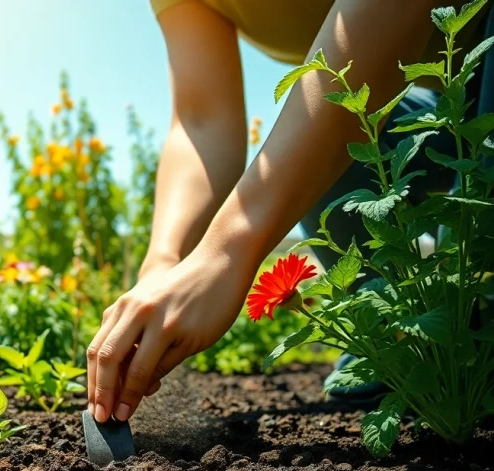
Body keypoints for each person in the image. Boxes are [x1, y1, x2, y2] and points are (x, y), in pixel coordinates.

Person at [86, 0, 491, 423]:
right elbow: (201, 121)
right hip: (436, 102)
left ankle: (468, 324)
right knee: (304, 147)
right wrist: (163, 265)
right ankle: (397, 334)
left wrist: (226, 251)